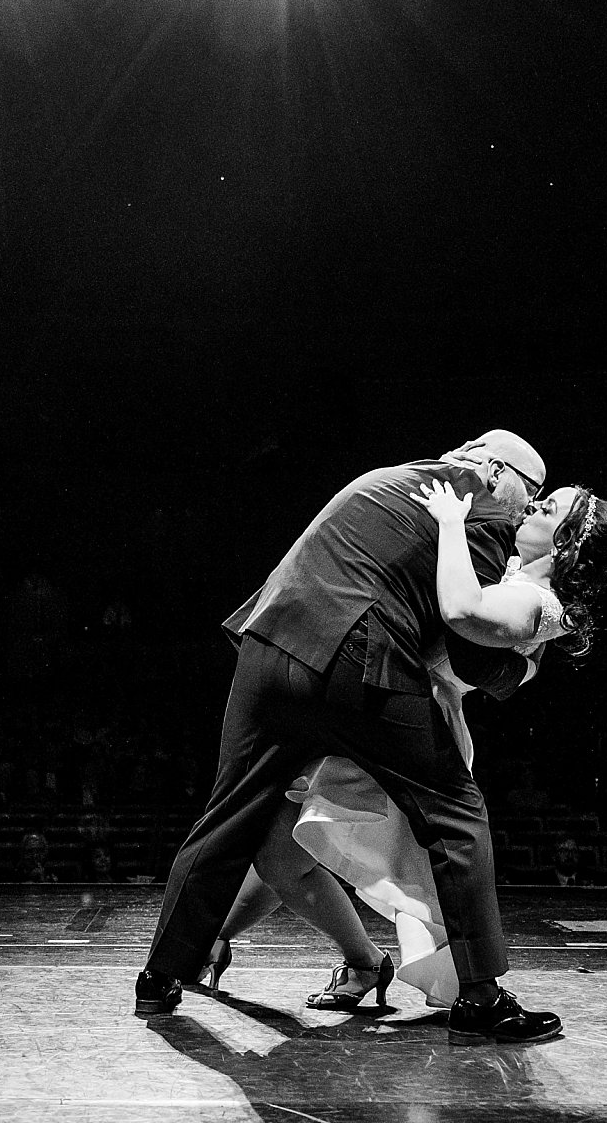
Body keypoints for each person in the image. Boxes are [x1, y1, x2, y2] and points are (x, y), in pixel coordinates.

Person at [136, 432, 559, 1046]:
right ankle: (481, 996)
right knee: (456, 816)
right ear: (497, 472)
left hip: (269, 642)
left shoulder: (393, 475)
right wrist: (517, 669)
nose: (527, 508)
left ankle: (161, 974)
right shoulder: (477, 507)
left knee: (229, 815)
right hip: (357, 658)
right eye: (532, 491)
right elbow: (467, 636)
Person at [201, 478, 607, 1010]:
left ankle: (463, 986)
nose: (534, 506)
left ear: (564, 543)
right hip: (379, 713)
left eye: (550, 508)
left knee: (296, 853)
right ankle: (345, 959)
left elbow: (459, 609)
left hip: (410, 731)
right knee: (281, 850)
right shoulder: (512, 572)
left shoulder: (537, 604)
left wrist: (450, 523)